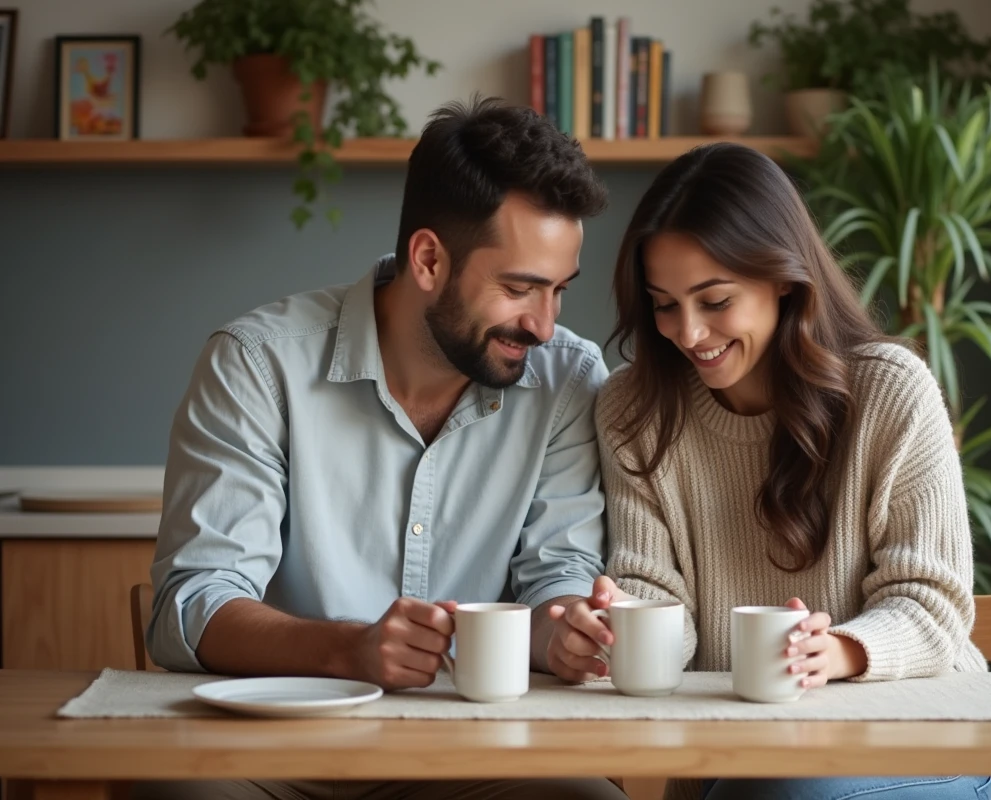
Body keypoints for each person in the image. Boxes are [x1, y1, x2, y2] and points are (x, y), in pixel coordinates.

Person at [140, 97, 626, 800]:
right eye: (520, 289)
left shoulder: (569, 381)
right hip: (274, 748)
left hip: (482, 753)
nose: (546, 326)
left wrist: (568, 629)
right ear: (429, 259)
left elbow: (559, 571)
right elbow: (194, 603)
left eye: (559, 291)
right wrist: (350, 650)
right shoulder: (257, 364)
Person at [548, 142, 991, 800]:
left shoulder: (890, 392)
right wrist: (622, 628)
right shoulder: (634, 408)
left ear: (783, 278)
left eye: (716, 300)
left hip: (916, 733)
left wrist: (836, 652)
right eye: (664, 304)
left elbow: (933, 606)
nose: (689, 332)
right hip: (738, 752)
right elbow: (654, 592)